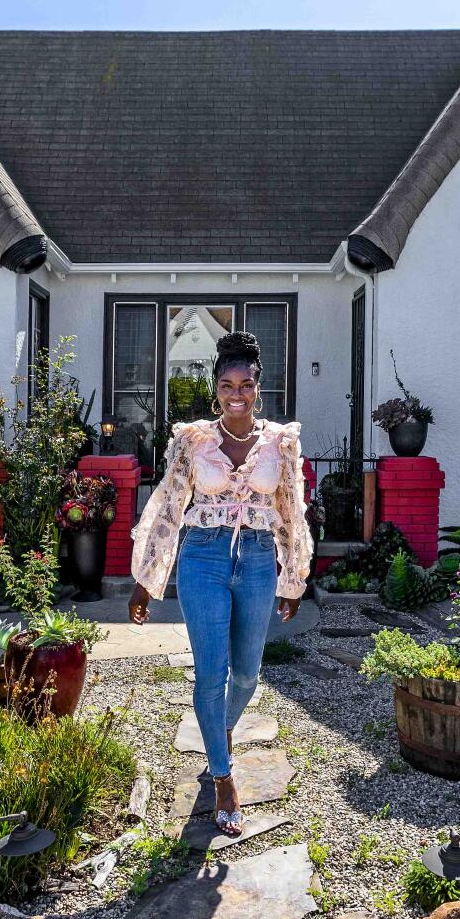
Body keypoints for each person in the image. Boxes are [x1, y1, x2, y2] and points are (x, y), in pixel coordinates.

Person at [129, 332, 310, 835]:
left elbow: (291, 510)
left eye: (246, 384)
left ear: (258, 388)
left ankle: (220, 732)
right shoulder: (193, 440)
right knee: (212, 673)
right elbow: (167, 504)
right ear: (215, 388)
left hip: (255, 558)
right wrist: (147, 577)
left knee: (248, 674)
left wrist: (292, 577)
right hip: (202, 556)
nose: (237, 393)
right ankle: (224, 777)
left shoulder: (281, 442)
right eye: (227, 384)